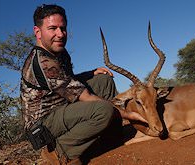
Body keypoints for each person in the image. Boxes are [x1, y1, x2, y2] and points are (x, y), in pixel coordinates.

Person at [20, 4, 145, 164]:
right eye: (52, 28)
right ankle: (60, 151)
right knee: (104, 109)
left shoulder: (60, 52)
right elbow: (85, 96)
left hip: (62, 106)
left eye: (63, 28)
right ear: (38, 32)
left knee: (104, 81)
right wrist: (128, 114)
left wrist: (91, 73)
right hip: (44, 124)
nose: (60, 34)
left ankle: (111, 137)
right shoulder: (43, 62)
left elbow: (66, 82)